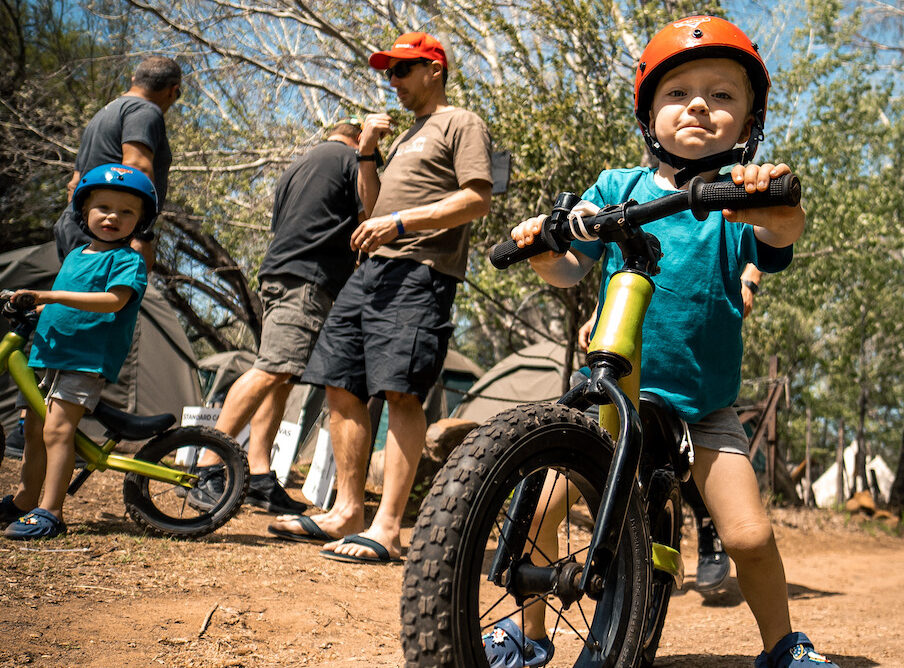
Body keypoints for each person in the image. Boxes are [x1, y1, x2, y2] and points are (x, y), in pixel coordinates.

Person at [490, 16, 838, 668]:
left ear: (749, 121)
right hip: (615, 395)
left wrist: (775, 201)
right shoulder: (618, 189)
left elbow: (783, 232)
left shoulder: (739, 198)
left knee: (751, 536)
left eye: (722, 95)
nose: (700, 105)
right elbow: (571, 267)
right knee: (540, 512)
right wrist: (545, 244)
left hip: (703, 409)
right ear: (650, 115)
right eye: (678, 94)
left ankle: (783, 647)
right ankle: (527, 634)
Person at [267, 32, 492, 560]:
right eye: (387, 72)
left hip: (420, 273)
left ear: (434, 69)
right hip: (370, 273)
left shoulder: (461, 122)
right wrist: (367, 154)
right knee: (339, 385)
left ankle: (388, 529)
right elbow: (371, 213)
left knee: (400, 392)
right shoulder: (403, 137)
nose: (391, 81)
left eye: (401, 70)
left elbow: (477, 200)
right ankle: (348, 511)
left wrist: (400, 221)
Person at [186, 121, 365, 516]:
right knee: (271, 370)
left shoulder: (299, 166)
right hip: (305, 279)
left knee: (281, 375)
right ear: (357, 138)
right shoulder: (351, 159)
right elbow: (370, 212)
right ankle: (206, 468)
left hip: (281, 273)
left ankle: (260, 474)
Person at [577, 262, 764, 593]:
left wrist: (750, 280)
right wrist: (599, 310)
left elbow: (762, 228)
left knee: (695, 439)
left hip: (699, 350)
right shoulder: (619, 207)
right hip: (634, 343)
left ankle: (707, 522)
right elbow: (620, 254)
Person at [1, 164, 154, 539]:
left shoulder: (127, 261)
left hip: (85, 359)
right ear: (84, 212)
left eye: (126, 211)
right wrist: (33, 309)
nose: (113, 217)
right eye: (103, 207)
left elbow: (112, 302)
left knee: (57, 430)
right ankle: (24, 500)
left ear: (140, 220)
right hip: (50, 353)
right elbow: (62, 306)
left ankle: (50, 512)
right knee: (34, 430)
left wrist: (47, 295)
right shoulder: (75, 256)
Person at [54, 56, 182, 268]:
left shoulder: (103, 114)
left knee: (77, 298)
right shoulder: (145, 111)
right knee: (110, 299)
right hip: (106, 235)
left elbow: (74, 184)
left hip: (78, 227)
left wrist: (84, 228)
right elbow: (136, 167)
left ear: (134, 79)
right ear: (172, 90)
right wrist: (140, 235)